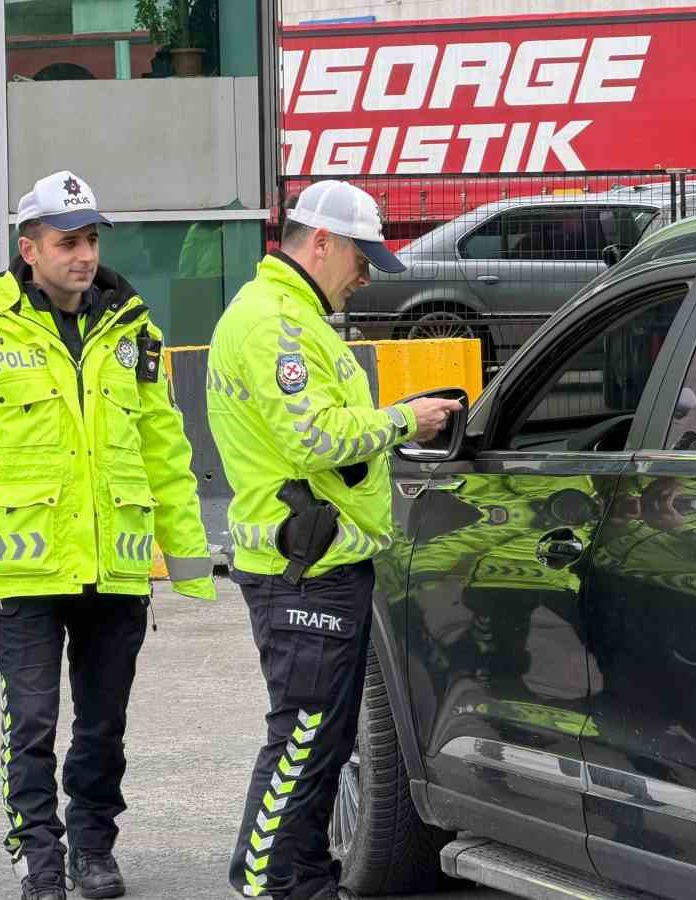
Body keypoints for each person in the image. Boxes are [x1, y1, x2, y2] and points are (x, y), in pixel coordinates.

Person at [0, 170, 217, 900]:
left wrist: (186, 558)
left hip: (113, 567)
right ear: (30, 249)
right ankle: (39, 859)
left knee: (104, 725)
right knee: (34, 725)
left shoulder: (134, 333)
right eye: (67, 241)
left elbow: (166, 452)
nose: (83, 255)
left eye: (90, 240)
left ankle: (93, 848)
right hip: (24, 571)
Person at [207, 180, 462, 900]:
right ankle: (264, 881)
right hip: (304, 566)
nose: (367, 274)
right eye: (361, 257)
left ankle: (304, 878)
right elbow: (314, 435)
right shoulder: (276, 326)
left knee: (322, 742)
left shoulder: (292, 317)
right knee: (303, 738)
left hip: (321, 559)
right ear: (320, 242)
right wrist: (406, 420)